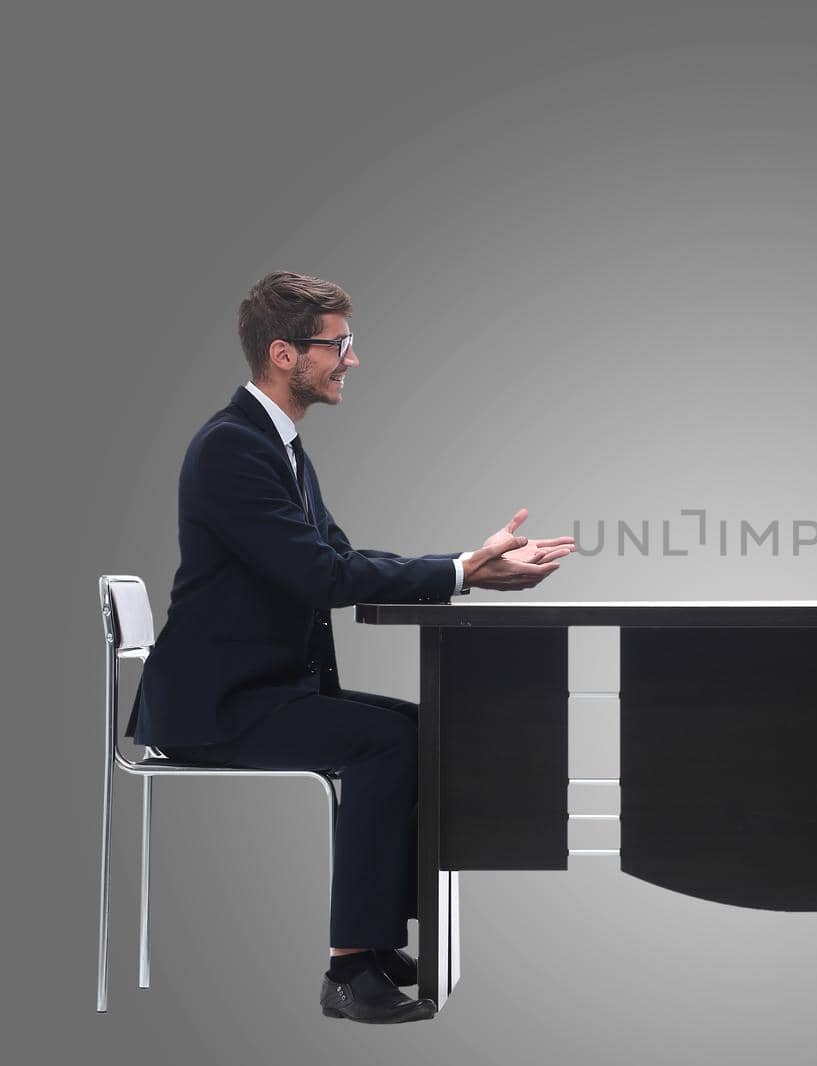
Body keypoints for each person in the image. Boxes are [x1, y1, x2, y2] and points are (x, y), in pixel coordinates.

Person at [130, 271, 574, 1023]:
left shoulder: (279, 449)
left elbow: (338, 559)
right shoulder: (232, 451)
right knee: (384, 745)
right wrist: (460, 570)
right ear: (284, 353)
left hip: (262, 690)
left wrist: (470, 574)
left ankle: (372, 940)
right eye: (339, 346)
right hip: (219, 707)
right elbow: (321, 574)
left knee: (419, 731)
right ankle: (347, 972)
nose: (351, 360)